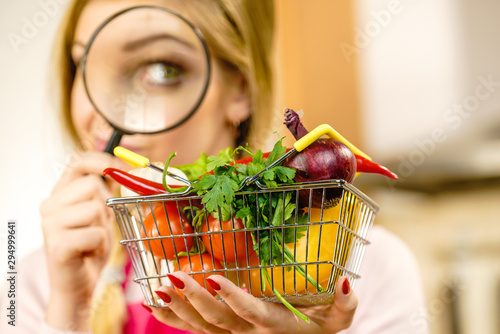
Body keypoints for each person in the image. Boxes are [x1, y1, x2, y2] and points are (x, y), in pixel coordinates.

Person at [0, 0, 428, 333]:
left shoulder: (359, 267)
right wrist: (68, 316)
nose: (104, 109)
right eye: (85, 65)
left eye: (162, 69)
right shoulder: (37, 282)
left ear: (240, 88)